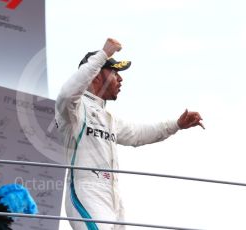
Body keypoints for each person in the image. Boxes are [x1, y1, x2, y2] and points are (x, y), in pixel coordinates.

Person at [55, 38, 204, 230]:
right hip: (87, 193)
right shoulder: (74, 109)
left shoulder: (108, 117)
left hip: (114, 196)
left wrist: (176, 125)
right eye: (114, 72)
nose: (120, 78)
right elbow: (67, 95)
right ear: (96, 75)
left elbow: (138, 134)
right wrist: (103, 54)